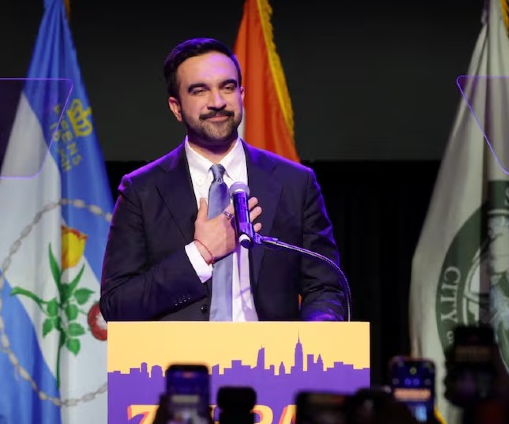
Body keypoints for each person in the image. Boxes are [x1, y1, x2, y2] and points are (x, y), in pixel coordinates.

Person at [100, 37, 345, 322]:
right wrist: (200, 254)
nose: (217, 102)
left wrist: (317, 333)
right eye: (199, 91)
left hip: (272, 361)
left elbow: (325, 287)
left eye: (227, 87)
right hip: (181, 364)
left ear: (241, 93)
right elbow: (117, 305)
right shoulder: (142, 191)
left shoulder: (295, 183)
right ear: (176, 107)